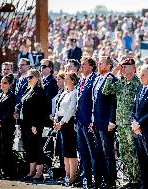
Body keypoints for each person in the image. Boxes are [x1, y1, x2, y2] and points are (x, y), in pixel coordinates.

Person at [102, 58, 140, 188]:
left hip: (132, 124)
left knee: (134, 151)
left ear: (133, 67)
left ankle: (138, 179)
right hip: (121, 123)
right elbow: (105, 91)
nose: (122, 68)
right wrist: (113, 73)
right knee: (124, 152)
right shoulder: (120, 82)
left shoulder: (138, 83)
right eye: (121, 66)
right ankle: (131, 178)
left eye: (125, 66)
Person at [15, 69, 47, 181]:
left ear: (37, 78)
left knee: (37, 147)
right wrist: (17, 110)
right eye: (27, 77)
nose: (28, 79)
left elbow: (40, 110)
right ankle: (31, 171)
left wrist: (35, 125)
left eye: (30, 77)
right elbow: (22, 104)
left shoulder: (40, 91)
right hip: (25, 123)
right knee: (29, 148)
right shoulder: (28, 90)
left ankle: (39, 172)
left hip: (34, 125)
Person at [91, 56, 117, 189]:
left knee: (108, 153)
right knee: (98, 152)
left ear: (109, 66)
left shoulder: (111, 79)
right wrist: (92, 119)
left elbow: (113, 102)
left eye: (101, 63)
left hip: (106, 122)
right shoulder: (97, 78)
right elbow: (94, 101)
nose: (99, 64)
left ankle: (110, 180)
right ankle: (100, 179)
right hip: (96, 121)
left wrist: (112, 120)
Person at [75, 57, 99, 188]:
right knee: (83, 152)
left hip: (89, 121)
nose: (81, 66)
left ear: (91, 66)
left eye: (83, 64)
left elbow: (94, 102)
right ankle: (86, 179)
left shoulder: (94, 79)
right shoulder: (81, 80)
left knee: (92, 152)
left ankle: (96, 179)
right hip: (80, 121)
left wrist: (92, 119)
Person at [53, 72, 78, 187]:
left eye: (67, 79)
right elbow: (58, 108)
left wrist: (61, 123)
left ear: (73, 81)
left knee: (71, 152)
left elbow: (71, 110)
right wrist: (55, 120)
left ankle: (73, 176)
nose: (65, 81)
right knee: (64, 153)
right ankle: (67, 176)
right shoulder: (64, 93)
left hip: (68, 124)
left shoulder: (75, 93)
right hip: (60, 123)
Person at [0, 74, 17, 179]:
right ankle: (3, 171)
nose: (2, 84)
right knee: (1, 150)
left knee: (7, 150)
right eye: (1, 82)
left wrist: (0, 122)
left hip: (7, 126)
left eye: (5, 83)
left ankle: (9, 173)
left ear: (10, 84)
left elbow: (9, 112)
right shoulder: (0, 95)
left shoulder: (12, 96)